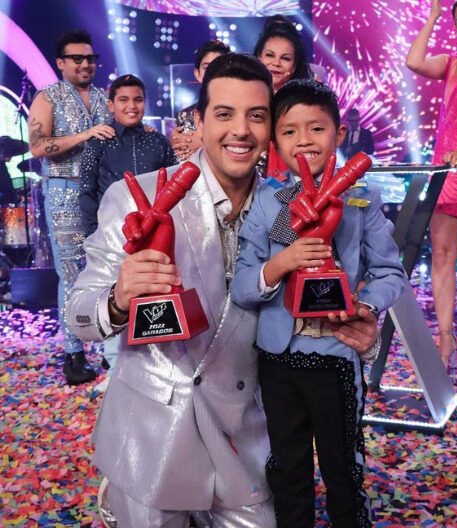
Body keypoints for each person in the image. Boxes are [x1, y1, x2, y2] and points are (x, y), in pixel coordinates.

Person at [66, 53, 278, 525]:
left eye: (256, 116)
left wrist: (356, 329)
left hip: (243, 435)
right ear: (198, 122)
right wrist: (118, 299)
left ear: (270, 127)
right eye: (224, 114)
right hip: (150, 436)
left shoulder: (285, 209)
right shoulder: (137, 196)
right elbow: (78, 316)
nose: (240, 130)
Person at [231, 78, 406, 527]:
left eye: (317, 128)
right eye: (290, 131)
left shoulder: (361, 198)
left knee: (343, 467)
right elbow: (242, 286)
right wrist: (281, 263)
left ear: (339, 133)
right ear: (275, 141)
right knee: (287, 468)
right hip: (278, 359)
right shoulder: (267, 202)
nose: (304, 140)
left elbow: (391, 272)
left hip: (336, 356)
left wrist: (365, 305)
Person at [406, 0, 457, 370]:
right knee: (442, 256)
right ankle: (446, 338)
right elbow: (413, 61)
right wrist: (433, 18)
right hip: (449, 168)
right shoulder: (453, 63)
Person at [77, 73, 177, 381]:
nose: (131, 106)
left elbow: (172, 186)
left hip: (154, 235)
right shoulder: (99, 142)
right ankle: (114, 368)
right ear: (111, 104)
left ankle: (154, 363)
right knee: (116, 294)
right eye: (123, 100)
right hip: (114, 235)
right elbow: (86, 191)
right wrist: (94, 234)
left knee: (152, 293)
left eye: (138, 100)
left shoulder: (156, 140)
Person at [28, 29, 113, 386]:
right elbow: (37, 147)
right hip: (65, 191)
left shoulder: (106, 98)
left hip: (105, 194)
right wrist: (85, 135)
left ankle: (112, 350)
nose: (85, 64)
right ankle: (73, 353)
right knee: (72, 273)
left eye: (90, 58)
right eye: (77, 58)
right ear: (61, 63)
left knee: (109, 269)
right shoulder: (48, 96)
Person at [254, 14, 314, 182]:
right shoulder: (245, 95)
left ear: (294, 66)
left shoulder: (306, 101)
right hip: (248, 174)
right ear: (259, 57)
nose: (276, 63)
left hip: (291, 176)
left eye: (285, 58)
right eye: (270, 55)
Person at [169, 39, 230, 161]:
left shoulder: (239, 109)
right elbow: (182, 158)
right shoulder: (185, 116)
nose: (213, 72)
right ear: (197, 74)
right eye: (207, 68)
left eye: (219, 66)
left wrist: (204, 147)